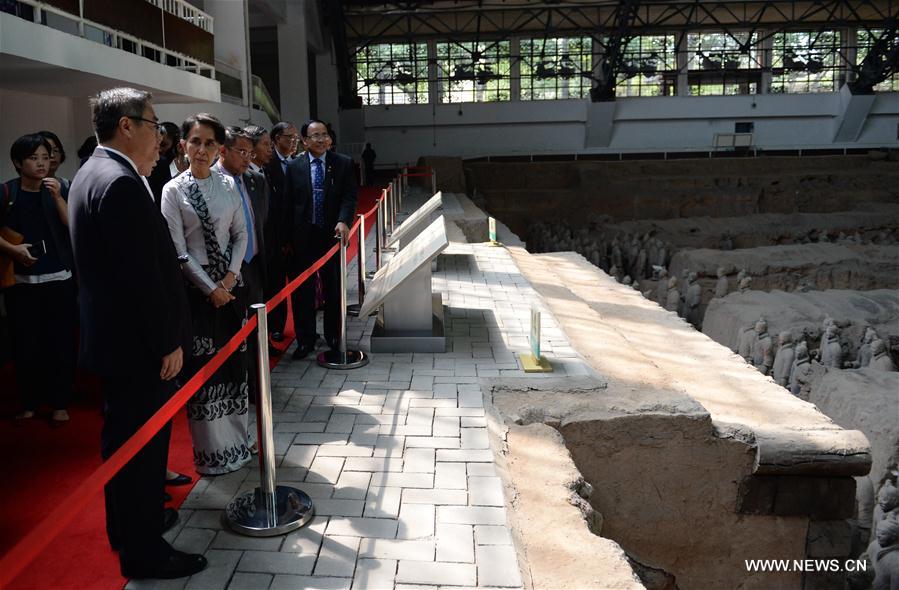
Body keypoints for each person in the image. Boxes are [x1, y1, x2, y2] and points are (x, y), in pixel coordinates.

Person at [67, 87, 204, 579]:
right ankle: (144, 551)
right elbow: (140, 275)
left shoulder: (93, 172)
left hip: (115, 340)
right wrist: (167, 340)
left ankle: (127, 525)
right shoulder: (120, 182)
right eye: (153, 125)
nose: (160, 138)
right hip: (137, 344)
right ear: (126, 125)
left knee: (122, 442)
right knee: (142, 449)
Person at [161, 112, 253, 476]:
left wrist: (230, 277)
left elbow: (241, 235)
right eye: (195, 141)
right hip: (197, 297)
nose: (202, 149)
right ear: (183, 144)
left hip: (232, 292)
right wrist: (211, 287)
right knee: (206, 377)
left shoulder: (229, 185)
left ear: (220, 148)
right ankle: (214, 454)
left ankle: (239, 443)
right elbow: (178, 251)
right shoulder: (173, 190)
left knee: (235, 370)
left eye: (209, 143)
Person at [1, 133, 77, 425]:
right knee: (25, 344)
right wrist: (13, 250)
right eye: (34, 158)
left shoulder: (60, 188)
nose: (42, 163)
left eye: (46, 157)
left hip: (59, 277)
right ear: (18, 163)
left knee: (61, 343)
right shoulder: (7, 192)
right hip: (21, 282)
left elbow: (72, 225)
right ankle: (29, 402)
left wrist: (57, 195)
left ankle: (60, 403)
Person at [284, 119, 357, 360]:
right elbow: (287, 203)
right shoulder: (294, 167)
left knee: (333, 288)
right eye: (315, 136)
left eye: (324, 134)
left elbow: (349, 197)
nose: (321, 139)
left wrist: (344, 220)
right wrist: (287, 238)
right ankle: (305, 339)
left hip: (331, 237)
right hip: (302, 238)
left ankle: (334, 335)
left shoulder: (343, 164)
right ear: (304, 141)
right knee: (302, 291)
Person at [214, 127, 268, 393]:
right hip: (224, 271)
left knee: (256, 326)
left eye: (250, 152)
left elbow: (263, 221)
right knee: (231, 330)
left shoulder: (256, 180)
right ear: (223, 151)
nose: (248, 158)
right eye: (241, 152)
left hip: (254, 263)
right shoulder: (208, 181)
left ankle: (257, 384)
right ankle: (236, 383)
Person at [263, 121, 297, 343]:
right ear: (276, 140)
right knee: (275, 285)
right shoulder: (267, 164)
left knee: (296, 282)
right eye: (288, 137)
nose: (293, 141)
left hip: (295, 236)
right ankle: (276, 326)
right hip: (273, 236)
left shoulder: (297, 163)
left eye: (295, 137)